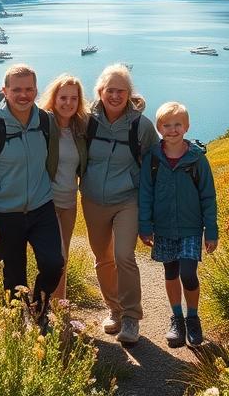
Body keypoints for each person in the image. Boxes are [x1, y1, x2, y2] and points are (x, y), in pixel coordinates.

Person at [0, 64, 64, 319]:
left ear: (36, 90)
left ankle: (39, 310)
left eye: (29, 89)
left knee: (54, 265)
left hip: (42, 209)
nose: (24, 95)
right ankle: (19, 328)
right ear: (4, 91)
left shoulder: (45, 121)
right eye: (17, 89)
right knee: (13, 281)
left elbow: (51, 161)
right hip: (4, 214)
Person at [80, 63, 158, 345]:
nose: (115, 96)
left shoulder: (141, 126)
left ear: (129, 94)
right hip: (92, 199)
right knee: (103, 258)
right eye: (110, 90)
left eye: (121, 91)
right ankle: (114, 309)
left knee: (124, 255)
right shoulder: (86, 121)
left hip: (128, 199)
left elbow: (154, 166)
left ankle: (131, 318)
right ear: (100, 91)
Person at [139, 101, 218, 347]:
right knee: (170, 272)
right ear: (159, 127)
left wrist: (211, 231)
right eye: (166, 125)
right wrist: (144, 225)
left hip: (191, 229)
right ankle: (177, 318)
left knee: (188, 273)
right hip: (163, 228)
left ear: (187, 126)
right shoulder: (153, 158)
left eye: (177, 125)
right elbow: (145, 194)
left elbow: (208, 196)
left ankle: (193, 318)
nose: (172, 130)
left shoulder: (197, 160)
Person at [38, 74, 89, 301]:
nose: (68, 103)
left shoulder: (80, 128)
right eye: (63, 97)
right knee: (55, 257)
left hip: (70, 203)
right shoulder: (43, 123)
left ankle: (60, 308)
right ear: (54, 98)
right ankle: (44, 307)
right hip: (47, 201)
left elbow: (107, 107)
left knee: (63, 256)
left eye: (74, 98)